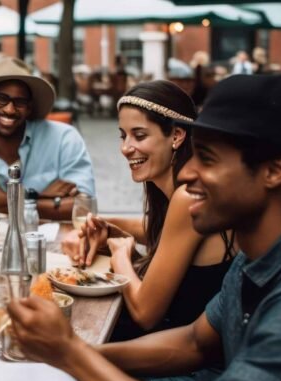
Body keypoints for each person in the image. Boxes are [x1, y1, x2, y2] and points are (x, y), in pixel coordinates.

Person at [8, 74, 281, 381]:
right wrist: (78, 351)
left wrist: (70, 354)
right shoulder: (259, 255)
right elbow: (193, 342)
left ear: (274, 171)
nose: (189, 172)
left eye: (206, 158)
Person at [70, 80, 234, 342]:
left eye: (140, 135)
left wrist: (120, 254)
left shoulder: (187, 196)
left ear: (177, 136)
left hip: (189, 361)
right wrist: (108, 225)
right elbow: (159, 230)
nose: (126, 148)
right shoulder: (170, 191)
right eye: (123, 136)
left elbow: (146, 314)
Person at [0, 57, 95, 220]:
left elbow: (85, 208)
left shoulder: (64, 139)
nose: (9, 109)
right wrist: (45, 198)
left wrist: (10, 204)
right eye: (2, 98)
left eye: (19, 102)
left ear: (29, 108)